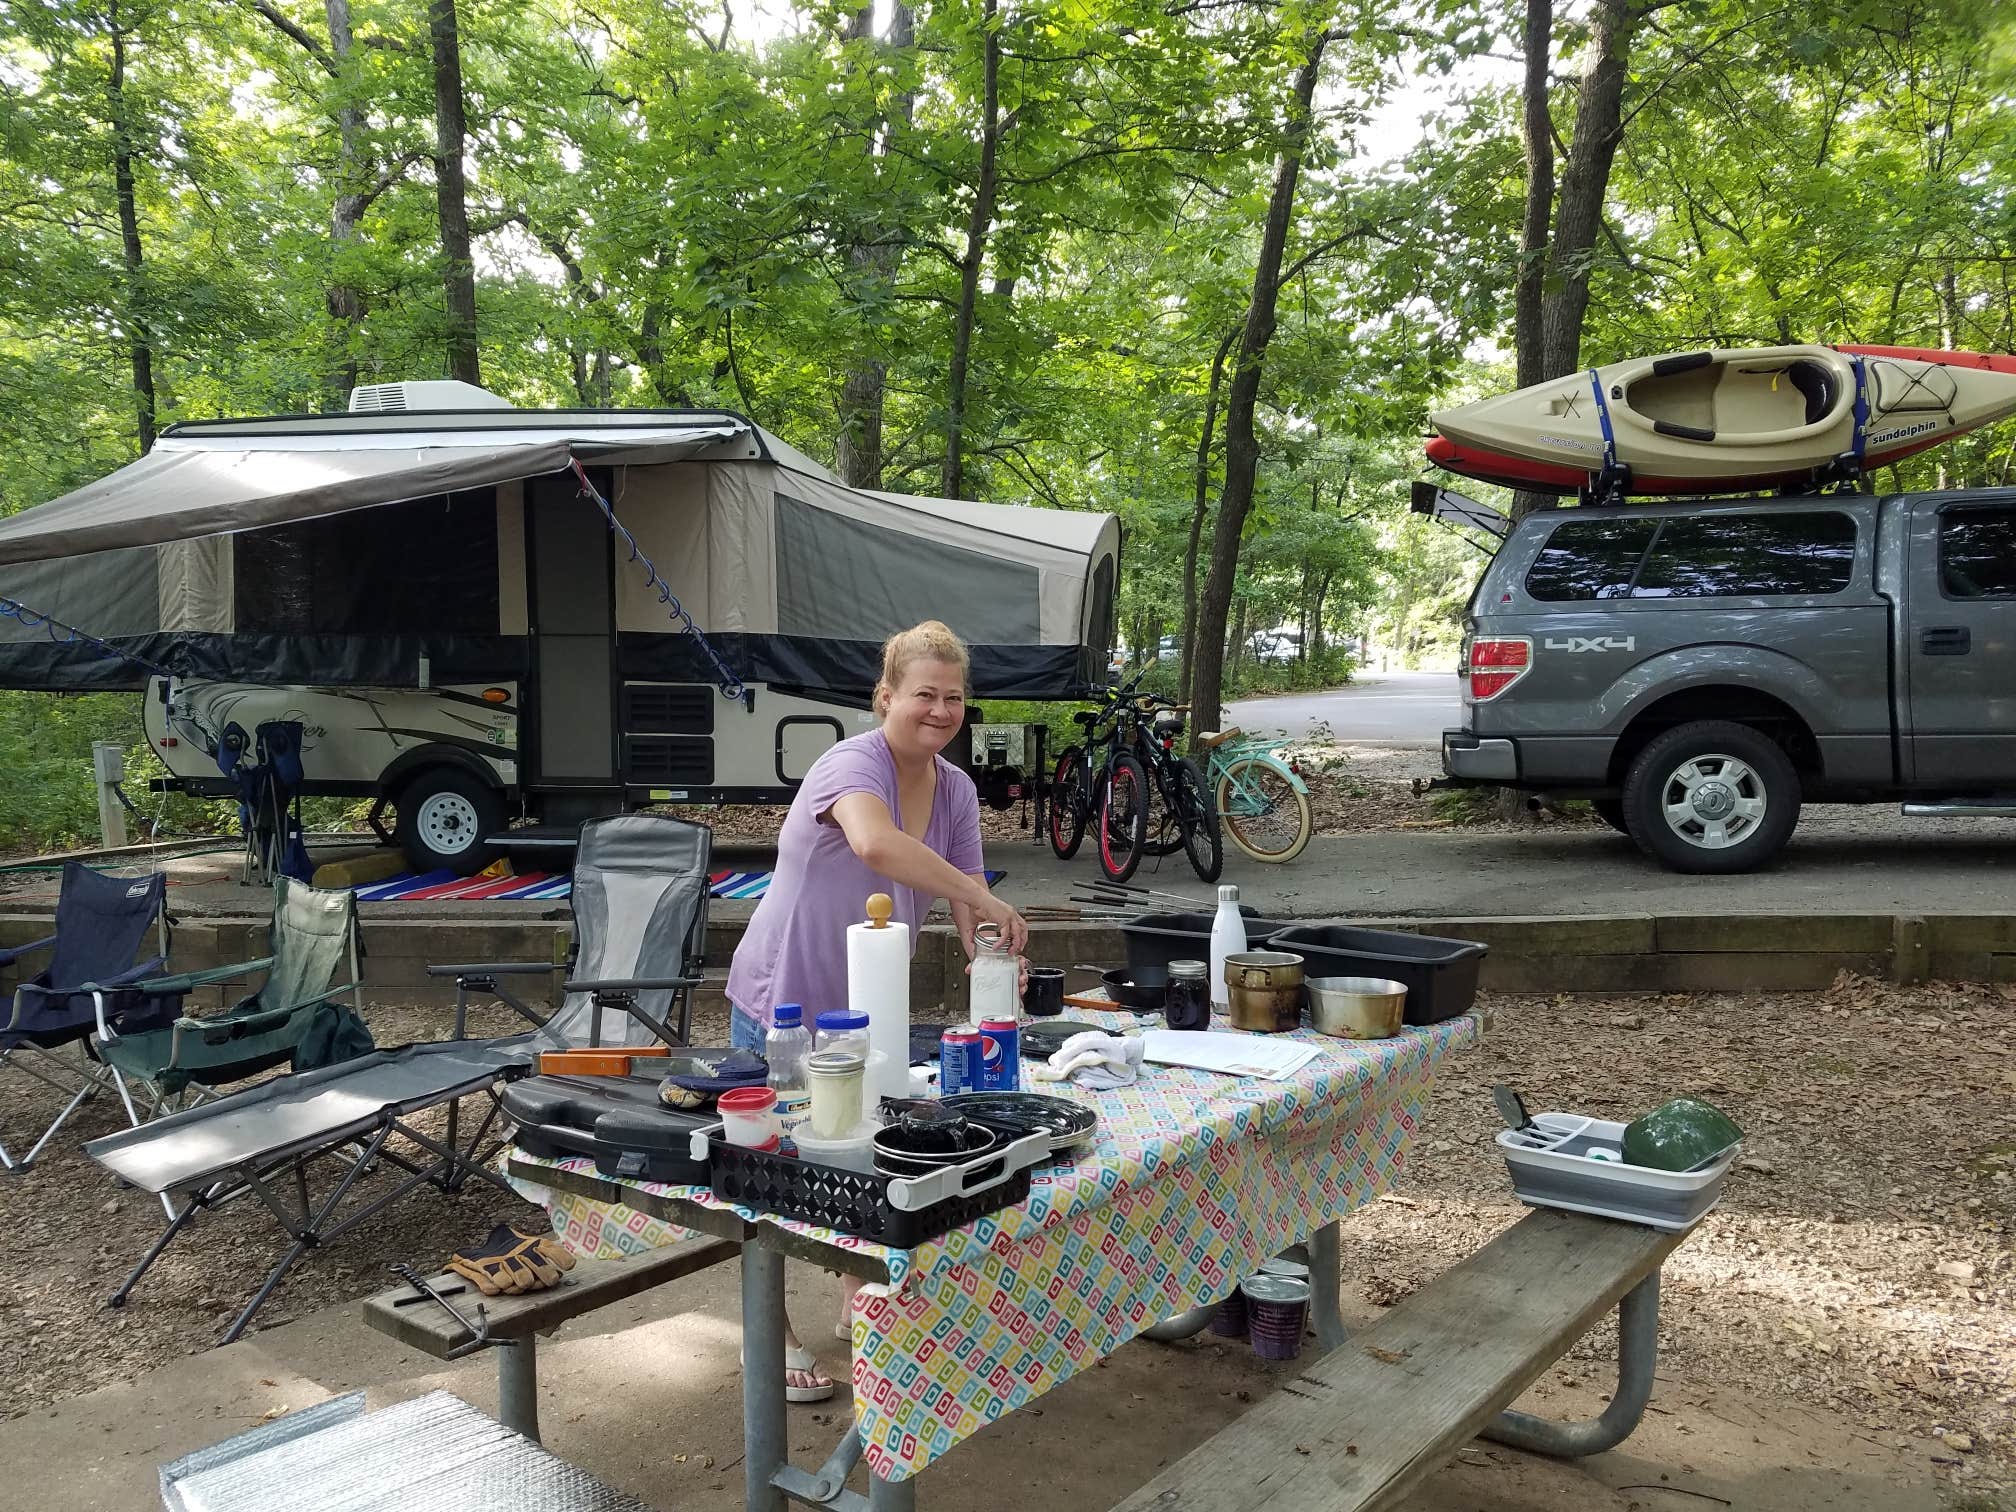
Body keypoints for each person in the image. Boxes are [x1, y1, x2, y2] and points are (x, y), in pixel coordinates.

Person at [724, 619, 1029, 1402]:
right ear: (885, 696)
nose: (939, 710)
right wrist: (979, 894)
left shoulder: (956, 787)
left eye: (954, 697)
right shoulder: (851, 763)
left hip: (869, 1012)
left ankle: (852, 1308)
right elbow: (876, 847)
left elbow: (962, 888)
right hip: (786, 1002)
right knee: (778, 1172)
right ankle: (773, 1332)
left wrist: (990, 954)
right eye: (923, 694)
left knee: (861, 1159)